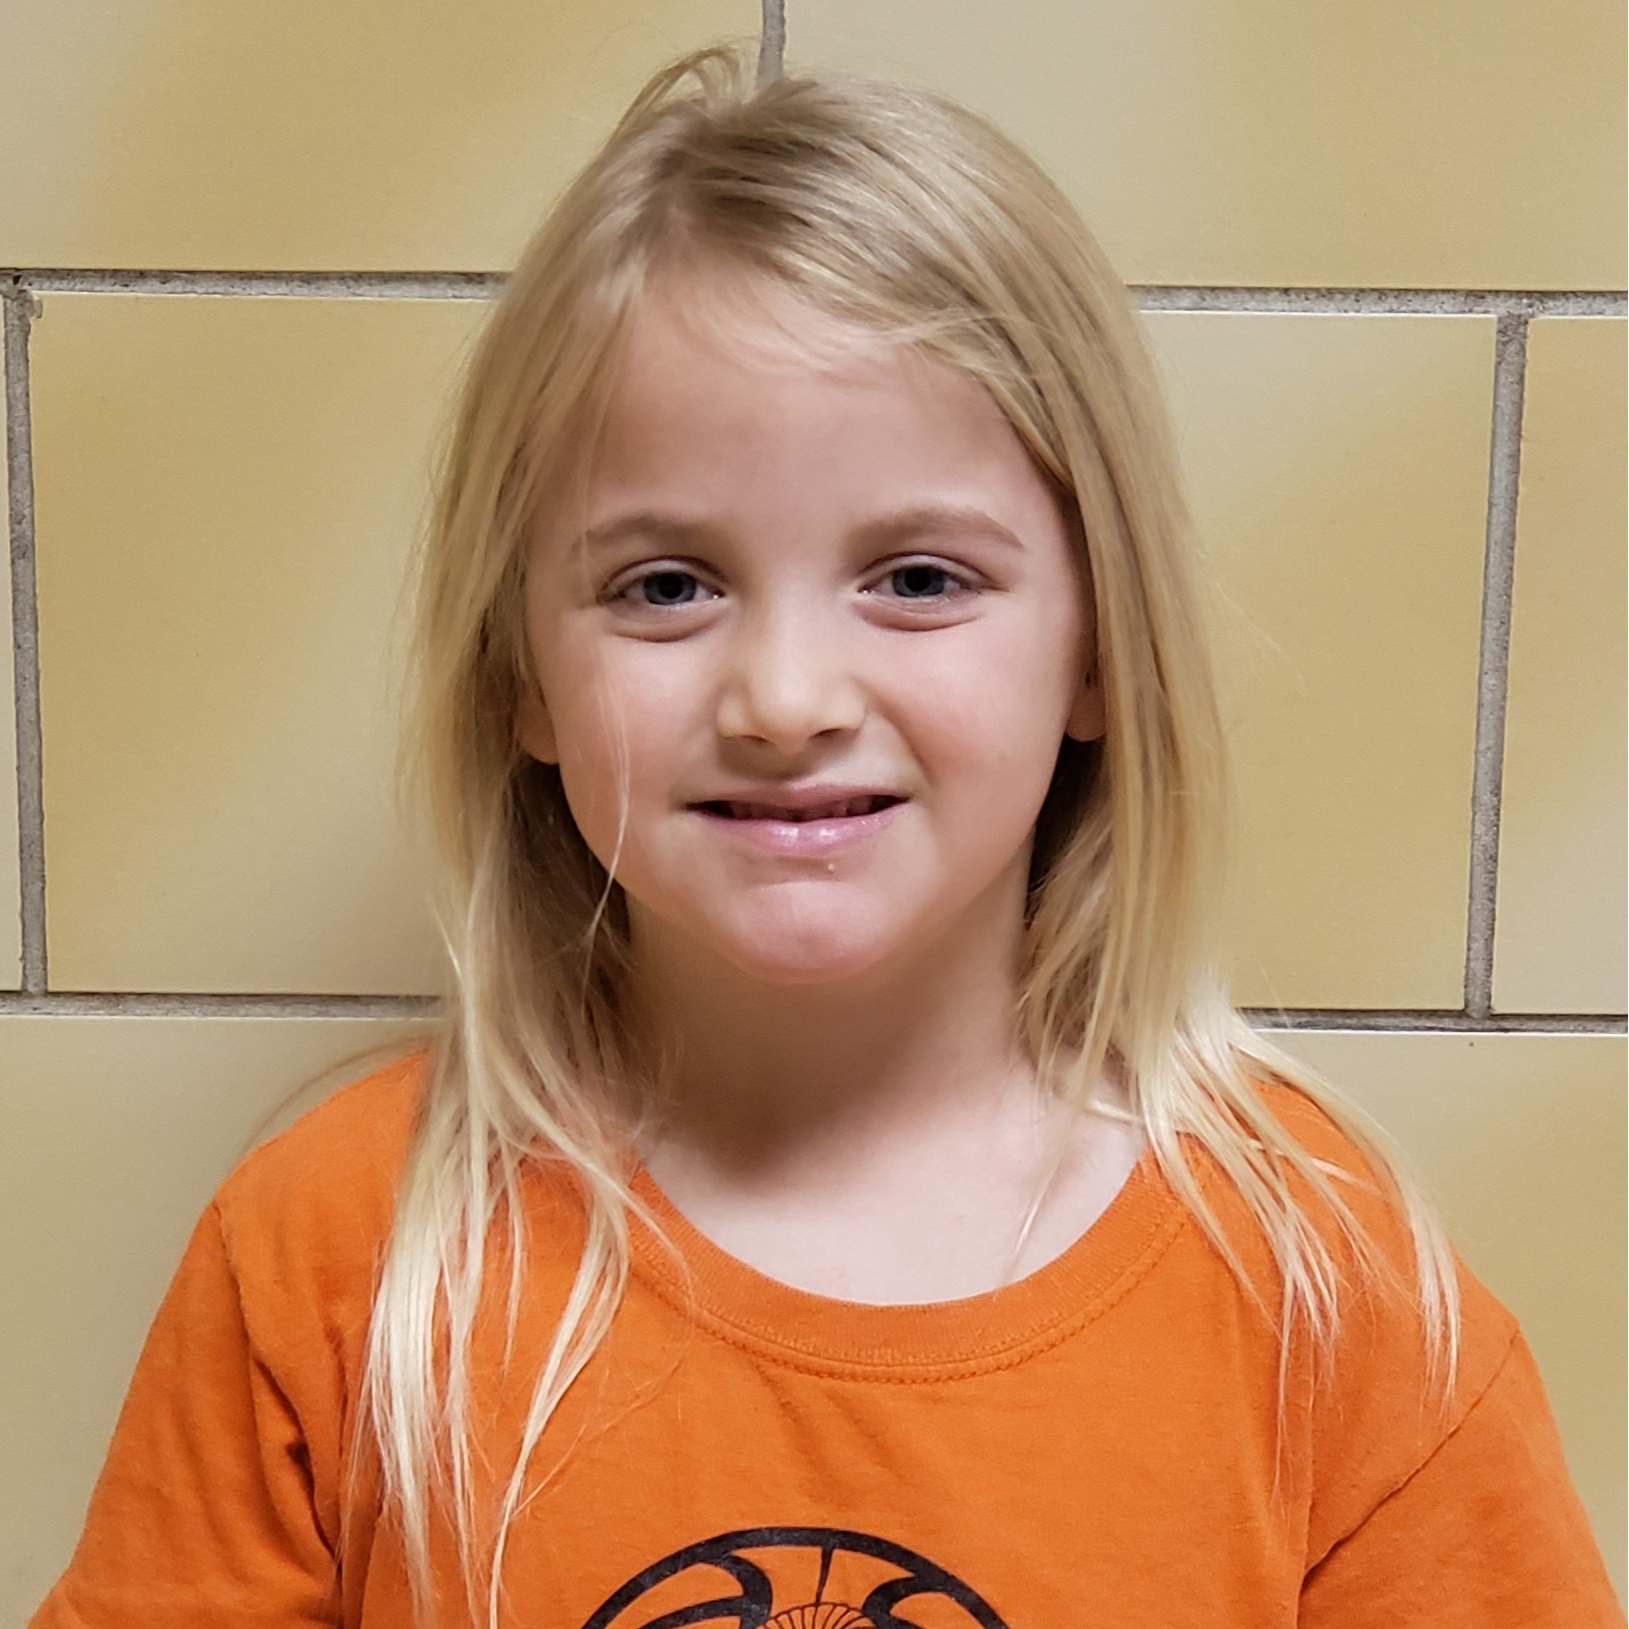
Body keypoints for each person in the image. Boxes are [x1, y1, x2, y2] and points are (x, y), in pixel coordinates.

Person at [30, 45, 1621, 1629]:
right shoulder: (337, 1259)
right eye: (665, 585)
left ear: (1097, 651)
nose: (785, 697)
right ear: (522, 674)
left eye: (919, 577)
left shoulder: (1325, 1299)